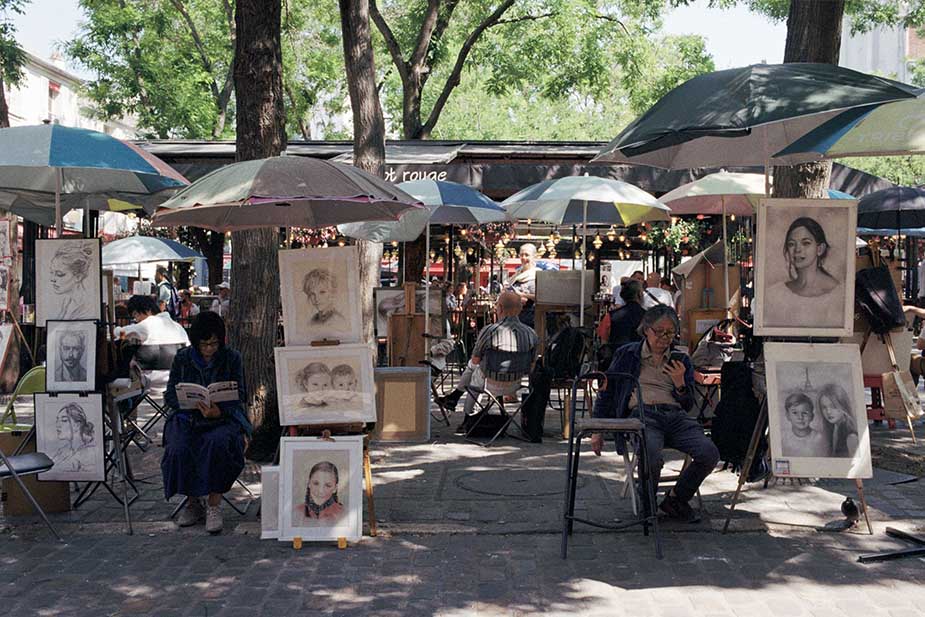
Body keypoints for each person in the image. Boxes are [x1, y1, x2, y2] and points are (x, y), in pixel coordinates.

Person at [591, 306, 719, 523]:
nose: (664, 338)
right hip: (644, 415)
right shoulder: (628, 354)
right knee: (651, 454)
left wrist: (680, 385)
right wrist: (597, 430)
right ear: (646, 330)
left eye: (670, 333)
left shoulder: (680, 359)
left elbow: (688, 405)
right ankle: (648, 506)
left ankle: (676, 500)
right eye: (659, 331)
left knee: (709, 453)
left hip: (676, 417)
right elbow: (608, 391)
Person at [161, 312, 250, 534]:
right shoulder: (182, 358)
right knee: (178, 447)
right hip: (189, 417)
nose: (209, 349)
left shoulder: (232, 358)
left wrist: (218, 410)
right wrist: (187, 402)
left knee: (218, 443)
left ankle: (213, 504)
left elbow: (240, 393)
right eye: (204, 345)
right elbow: (170, 395)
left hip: (223, 418)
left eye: (214, 344)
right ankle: (193, 503)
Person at [435, 291, 538, 432]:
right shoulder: (531, 333)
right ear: (520, 309)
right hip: (515, 386)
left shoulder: (490, 331)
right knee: (476, 369)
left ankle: (465, 415)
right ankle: (454, 398)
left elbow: (476, 360)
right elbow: (532, 365)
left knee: (473, 368)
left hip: (490, 384)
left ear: (500, 308)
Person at [765, 217, 844, 328]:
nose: (797, 249)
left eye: (806, 243)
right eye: (792, 244)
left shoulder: (837, 292)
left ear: (820, 249)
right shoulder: (775, 294)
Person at [114, 295, 190, 370]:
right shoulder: (178, 327)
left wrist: (116, 330)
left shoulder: (146, 324)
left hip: (150, 376)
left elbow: (121, 332)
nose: (136, 320)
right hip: (178, 373)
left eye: (136, 314)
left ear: (148, 310)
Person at [596, 280, 645, 370]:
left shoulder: (610, 316)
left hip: (615, 362)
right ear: (640, 294)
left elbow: (603, 339)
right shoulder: (648, 316)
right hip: (640, 362)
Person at [48, 243, 95, 320]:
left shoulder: (86, 306)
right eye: (51, 272)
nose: (52, 279)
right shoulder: (68, 302)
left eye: (60, 274)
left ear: (78, 277)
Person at [780, 392, 830, 457]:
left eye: (805, 413)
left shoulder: (820, 439)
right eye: (795, 413)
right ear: (788, 416)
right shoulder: (783, 439)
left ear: (812, 416)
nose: (800, 417)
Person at [52, 403, 97, 473]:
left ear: (77, 425)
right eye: (57, 420)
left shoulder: (90, 452)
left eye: (64, 420)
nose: (58, 425)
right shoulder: (63, 450)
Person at [816, 383, 859, 458]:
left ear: (843, 405)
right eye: (824, 407)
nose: (828, 411)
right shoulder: (832, 429)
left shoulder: (851, 437)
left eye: (833, 406)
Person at [506, 243, 537, 328]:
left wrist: (522, 295)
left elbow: (540, 296)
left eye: (527, 255)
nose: (523, 258)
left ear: (534, 256)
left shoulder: (537, 275)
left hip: (529, 319)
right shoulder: (517, 274)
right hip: (513, 317)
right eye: (521, 255)